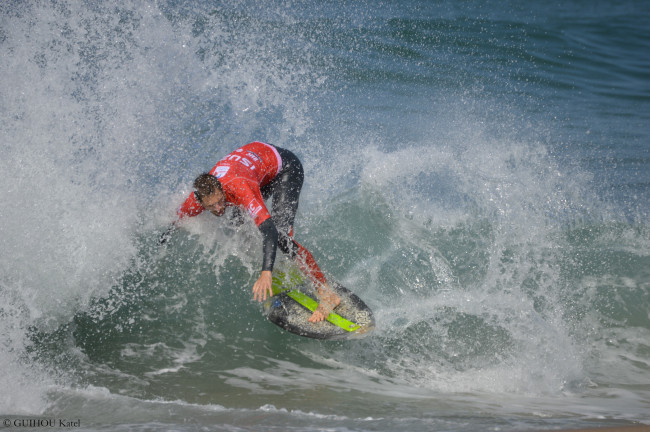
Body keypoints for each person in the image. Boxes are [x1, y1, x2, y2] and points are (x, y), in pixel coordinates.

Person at [161, 141, 340, 323]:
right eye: (212, 206)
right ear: (200, 203)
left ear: (222, 190)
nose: (219, 207)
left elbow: (269, 229)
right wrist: (164, 238)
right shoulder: (194, 202)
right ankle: (279, 268)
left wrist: (265, 272)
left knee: (282, 237)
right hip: (256, 167)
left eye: (220, 201)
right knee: (238, 222)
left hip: (285, 167)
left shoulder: (238, 187)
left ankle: (327, 294)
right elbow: (178, 220)